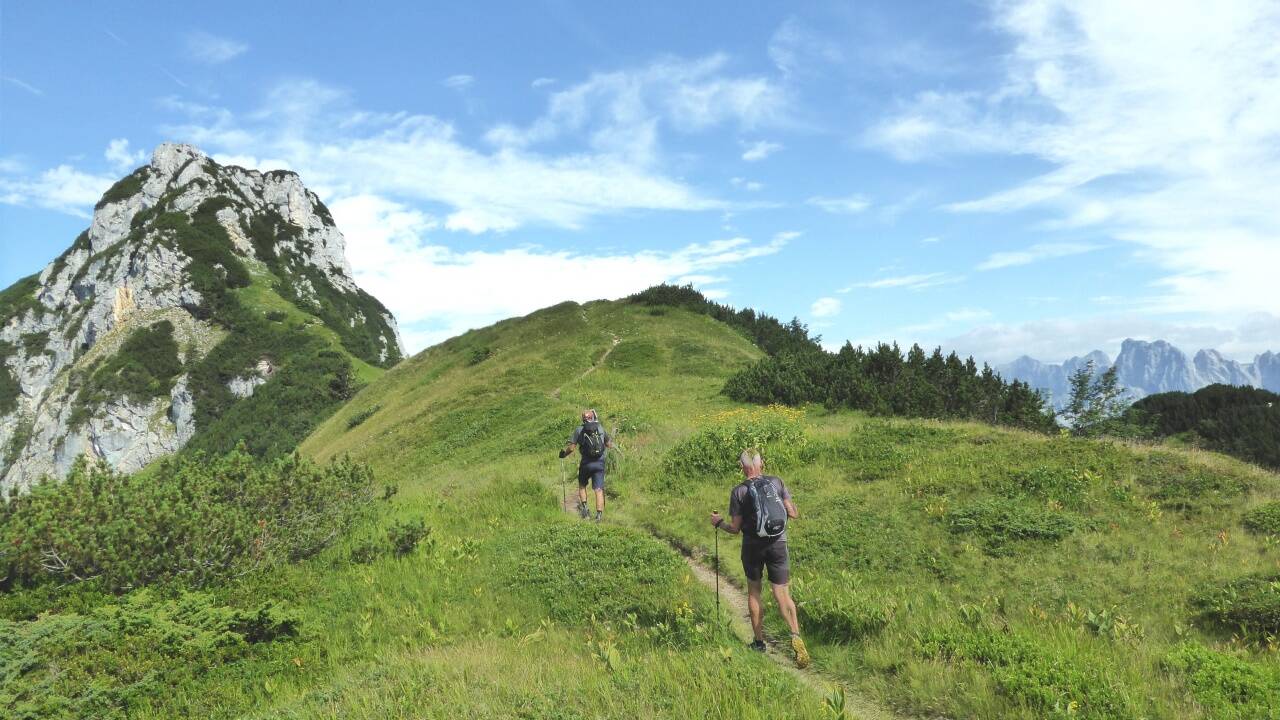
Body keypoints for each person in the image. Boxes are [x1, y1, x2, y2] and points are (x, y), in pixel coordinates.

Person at [709, 448, 810, 668]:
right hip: (778, 544)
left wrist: (718, 523)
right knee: (782, 594)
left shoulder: (739, 492)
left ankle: (759, 642)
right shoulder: (777, 482)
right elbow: (793, 513)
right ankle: (796, 636)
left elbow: (735, 529)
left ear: (742, 467)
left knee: (755, 591)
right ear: (761, 464)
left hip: (753, 547)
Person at [559, 409, 613, 522]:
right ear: (593, 417)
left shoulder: (579, 430)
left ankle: (585, 509)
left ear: (583, 419)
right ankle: (598, 516)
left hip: (586, 464)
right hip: (599, 463)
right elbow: (608, 445)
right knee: (598, 490)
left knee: (582, 485)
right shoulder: (600, 428)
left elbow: (572, 448)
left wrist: (564, 454)